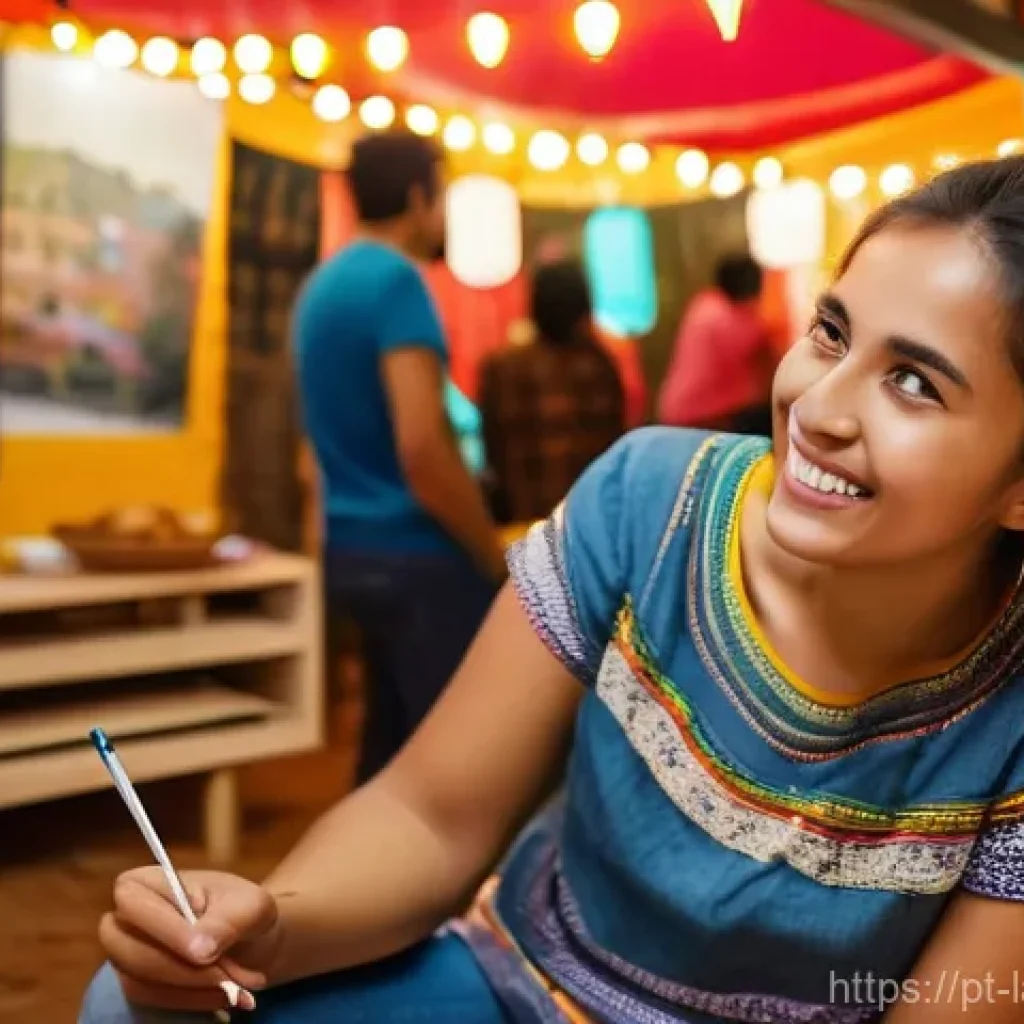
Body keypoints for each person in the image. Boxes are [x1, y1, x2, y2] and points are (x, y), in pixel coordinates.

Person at [84, 156, 1024, 1024]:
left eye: (912, 383)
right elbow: (430, 812)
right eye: (830, 332)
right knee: (130, 1007)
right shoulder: (649, 505)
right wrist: (273, 927)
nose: (817, 410)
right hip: (517, 983)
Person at [290, 130, 505, 784]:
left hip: (352, 548)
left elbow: (309, 455)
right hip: (417, 557)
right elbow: (423, 444)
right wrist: (493, 558)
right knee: (469, 762)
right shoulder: (396, 284)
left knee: (386, 753)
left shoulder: (322, 287)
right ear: (419, 199)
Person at [479, 258, 627, 524]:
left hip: (525, 524)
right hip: (589, 524)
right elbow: (616, 444)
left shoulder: (502, 367)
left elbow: (493, 449)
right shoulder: (598, 364)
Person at [658, 253, 775, 435]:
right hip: (705, 417)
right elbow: (767, 368)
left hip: (675, 412)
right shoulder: (736, 321)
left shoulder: (703, 304)